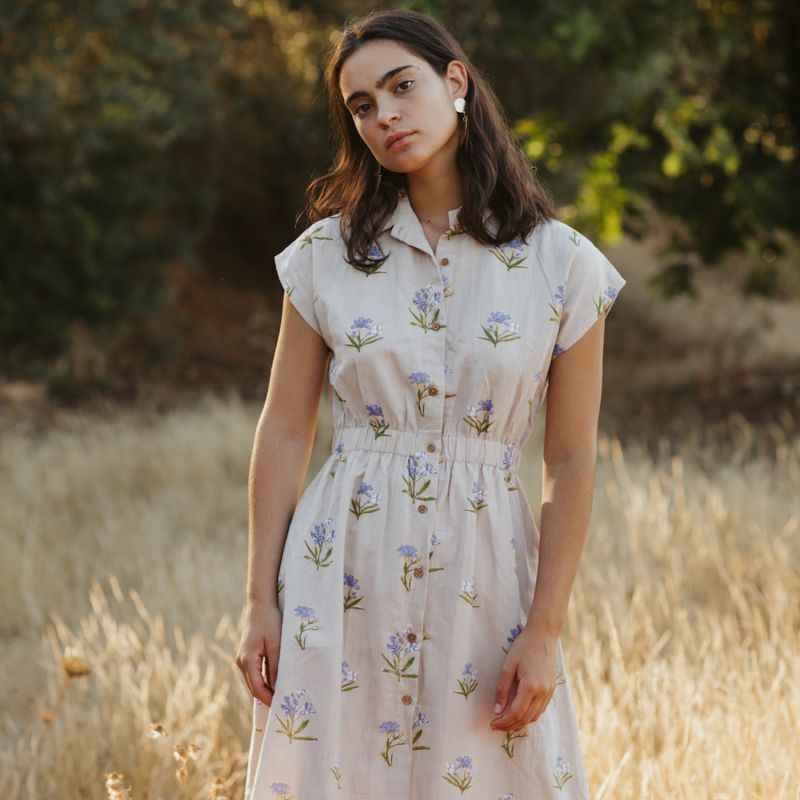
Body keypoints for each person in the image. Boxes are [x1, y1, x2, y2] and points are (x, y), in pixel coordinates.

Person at [236, 8, 625, 799]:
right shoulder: (324, 258)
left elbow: (571, 458)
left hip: (489, 577)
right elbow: (283, 429)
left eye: (400, 87)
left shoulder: (564, 266)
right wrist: (258, 601)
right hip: (342, 568)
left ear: (456, 84)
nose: (384, 116)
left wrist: (545, 629)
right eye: (361, 105)